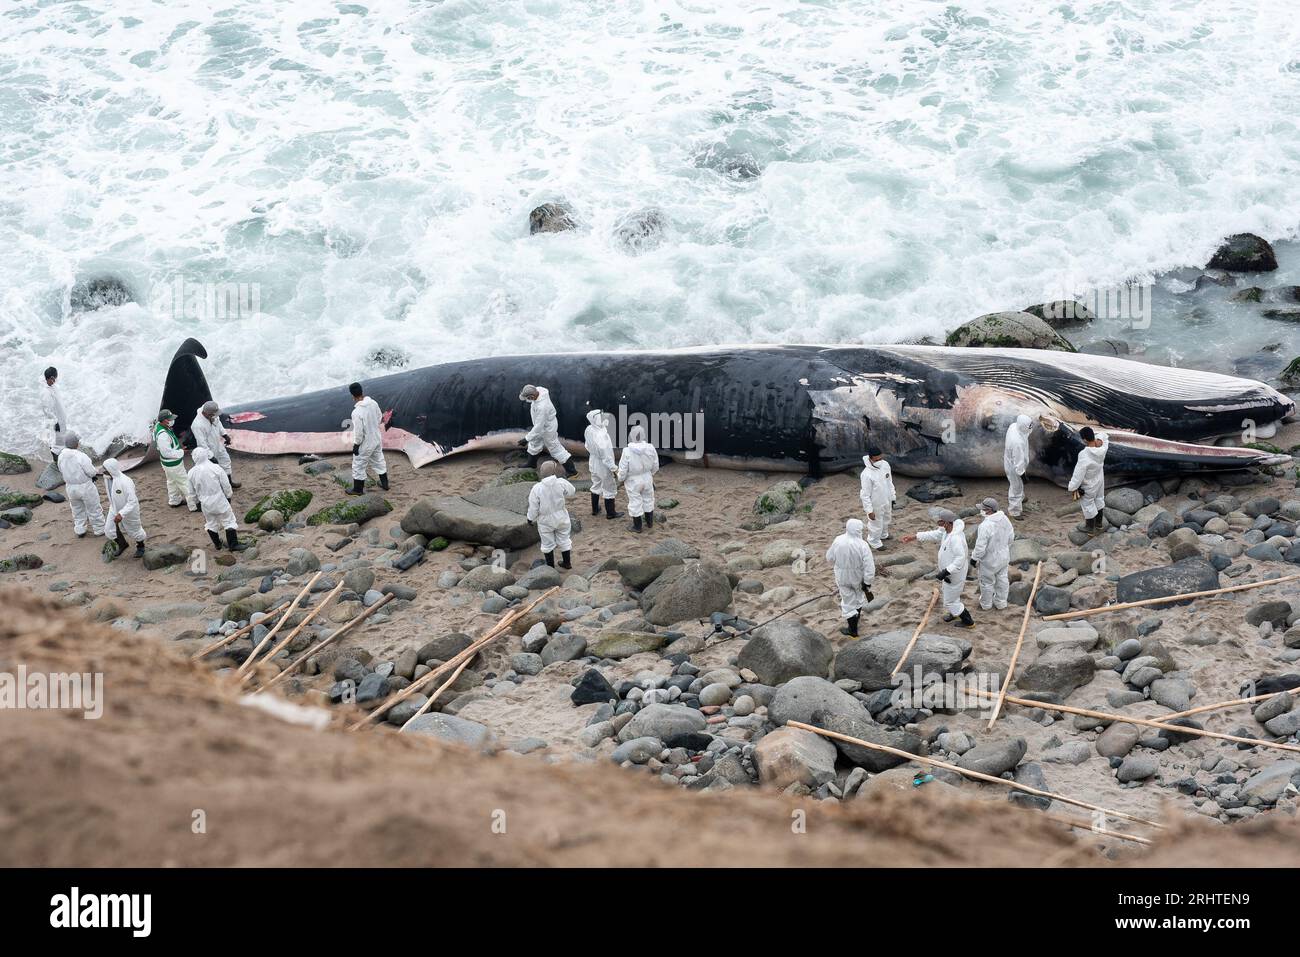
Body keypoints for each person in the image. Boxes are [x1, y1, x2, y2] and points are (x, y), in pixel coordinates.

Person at [902, 507, 973, 628]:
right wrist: (914, 536)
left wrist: (946, 571)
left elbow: (960, 559)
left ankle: (968, 621)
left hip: (954, 575)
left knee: (949, 601)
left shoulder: (956, 539)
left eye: (940, 522)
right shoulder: (947, 531)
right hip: (948, 575)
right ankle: (954, 613)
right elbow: (934, 534)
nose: (938, 524)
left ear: (947, 522)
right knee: (950, 595)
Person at [825, 518, 876, 637]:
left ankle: (852, 630)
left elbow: (829, 558)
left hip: (842, 576)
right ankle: (855, 624)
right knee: (858, 598)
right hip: (858, 577)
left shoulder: (838, 540)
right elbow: (869, 566)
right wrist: (868, 582)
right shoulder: (863, 545)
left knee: (847, 601)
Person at [188, 447, 246, 552]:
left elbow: (191, 492)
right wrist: (228, 496)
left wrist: (196, 503)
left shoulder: (191, 473)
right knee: (229, 520)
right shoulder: (216, 468)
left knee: (211, 523)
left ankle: (217, 544)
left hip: (205, 502)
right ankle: (233, 545)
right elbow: (226, 485)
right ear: (206, 455)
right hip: (219, 498)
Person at [519, 384, 577, 477]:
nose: (527, 400)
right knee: (535, 443)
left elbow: (539, 426)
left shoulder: (542, 406)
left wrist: (526, 439)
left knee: (555, 448)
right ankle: (531, 463)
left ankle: (572, 471)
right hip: (540, 426)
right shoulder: (539, 390)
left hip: (547, 429)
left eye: (528, 398)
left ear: (532, 396)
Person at [526, 460, 575, 568]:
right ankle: (567, 563)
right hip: (561, 515)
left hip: (545, 520)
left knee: (547, 543)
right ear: (554, 471)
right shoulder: (561, 482)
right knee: (564, 539)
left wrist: (530, 518)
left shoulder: (537, 488)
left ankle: (550, 567)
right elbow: (572, 491)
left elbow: (533, 507)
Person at [56, 433, 104, 538]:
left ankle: (80, 530)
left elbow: (60, 470)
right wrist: (95, 472)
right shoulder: (80, 456)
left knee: (77, 509)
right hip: (84, 486)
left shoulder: (61, 456)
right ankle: (99, 529)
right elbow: (91, 472)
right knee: (94, 508)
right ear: (76, 444)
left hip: (70, 487)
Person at [971, 497, 1014, 611]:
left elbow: (980, 546)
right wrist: (1004, 548)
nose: (981, 511)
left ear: (988, 510)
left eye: (983, 509)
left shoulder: (986, 525)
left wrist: (974, 558)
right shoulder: (1005, 519)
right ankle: (1001, 603)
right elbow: (1011, 537)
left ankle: (986, 605)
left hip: (989, 559)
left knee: (986, 583)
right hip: (1004, 555)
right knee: (1002, 579)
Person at [347, 382, 389, 495]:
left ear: (352, 396)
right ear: (362, 391)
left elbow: (359, 432)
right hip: (376, 437)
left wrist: (356, 445)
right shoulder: (373, 403)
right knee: (379, 459)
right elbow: (380, 417)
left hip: (365, 442)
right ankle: (385, 484)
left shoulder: (356, 412)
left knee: (358, 464)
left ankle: (358, 490)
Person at [617, 425, 659, 532]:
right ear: (643, 435)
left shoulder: (627, 451)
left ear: (631, 436)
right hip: (647, 477)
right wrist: (650, 475)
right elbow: (655, 465)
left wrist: (621, 479)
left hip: (633, 480)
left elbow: (623, 468)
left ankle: (637, 527)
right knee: (648, 499)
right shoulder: (650, 447)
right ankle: (650, 523)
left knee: (635, 502)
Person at [102, 457, 146, 558]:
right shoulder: (107, 478)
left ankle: (140, 546)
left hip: (129, 510)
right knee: (109, 530)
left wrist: (122, 513)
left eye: (105, 469)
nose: (103, 472)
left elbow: (132, 501)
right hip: (114, 508)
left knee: (135, 530)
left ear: (111, 469)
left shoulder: (126, 482)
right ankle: (122, 544)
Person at [1068, 426, 1109, 532]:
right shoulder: (1102, 449)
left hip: (1089, 484)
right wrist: (1098, 439)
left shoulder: (1084, 455)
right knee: (1099, 499)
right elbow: (1105, 437)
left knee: (1088, 503)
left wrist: (1072, 487)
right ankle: (1099, 524)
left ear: (1084, 439)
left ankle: (1090, 528)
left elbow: (1078, 474)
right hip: (1099, 480)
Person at [191, 400, 240, 488]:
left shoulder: (213, 414)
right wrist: (210, 456)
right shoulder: (197, 425)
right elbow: (202, 443)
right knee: (211, 470)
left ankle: (228, 483)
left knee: (226, 461)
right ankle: (215, 487)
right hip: (208, 449)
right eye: (214, 415)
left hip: (218, 444)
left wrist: (225, 435)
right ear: (208, 414)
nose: (216, 416)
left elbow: (218, 424)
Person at [154, 409, 196, 510]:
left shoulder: (158, 426)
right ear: (164, 421)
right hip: (173, 464)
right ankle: (193, 505)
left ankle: (174, 500)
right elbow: (166, 453)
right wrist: (181, 452)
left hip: (167, 464)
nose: (172, 420)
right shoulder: (163, 435)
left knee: (172, 481)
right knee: (184, 482)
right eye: (170, 419)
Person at [583, 409, 621, 519]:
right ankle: (611, 513)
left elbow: (587, 446)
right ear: (596, 419)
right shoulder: (601, 435)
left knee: (596, 485)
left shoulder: (589, 429)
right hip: (603, 465)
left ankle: (595, 510)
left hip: (593, 461)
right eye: (601, 416)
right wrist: (614, 468)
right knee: (609, 487)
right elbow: (606, 455)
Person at [858, 447, 896, 548]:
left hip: (886, 498)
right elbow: (865, 495)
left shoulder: (885, 465)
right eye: (876, 460)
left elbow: (889, 482)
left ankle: (884, 535)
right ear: (870, 459)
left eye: (880, 459)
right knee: (876, 523)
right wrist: (869, 511)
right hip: (876, 502)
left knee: (887, 518)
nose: (879, 461)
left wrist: (892, 497)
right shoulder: (866, 474)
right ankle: (874, 541)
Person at [1004, 414, 1032, 517]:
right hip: (1015, 467)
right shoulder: (1017, 442)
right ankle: (1015, 511)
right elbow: (1018, 463)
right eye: (1029, 426)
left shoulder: (1014, 426)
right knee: (1016, 488)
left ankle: (1022, 497)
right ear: (1023, 426)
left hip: (1010, 460)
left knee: (1018, 486)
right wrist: (1023, 476)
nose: (1031, 427)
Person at [41, 366, 67, 458]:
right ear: (51, 378)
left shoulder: (54, 387)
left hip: (60, 418)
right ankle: (56, 460)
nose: (56, 380)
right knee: (55, 440)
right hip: (55, 421)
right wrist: (56, 422)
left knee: (60, 439)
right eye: (55, 378)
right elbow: (47, 410)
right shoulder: (46, 393)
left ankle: (61, 456)